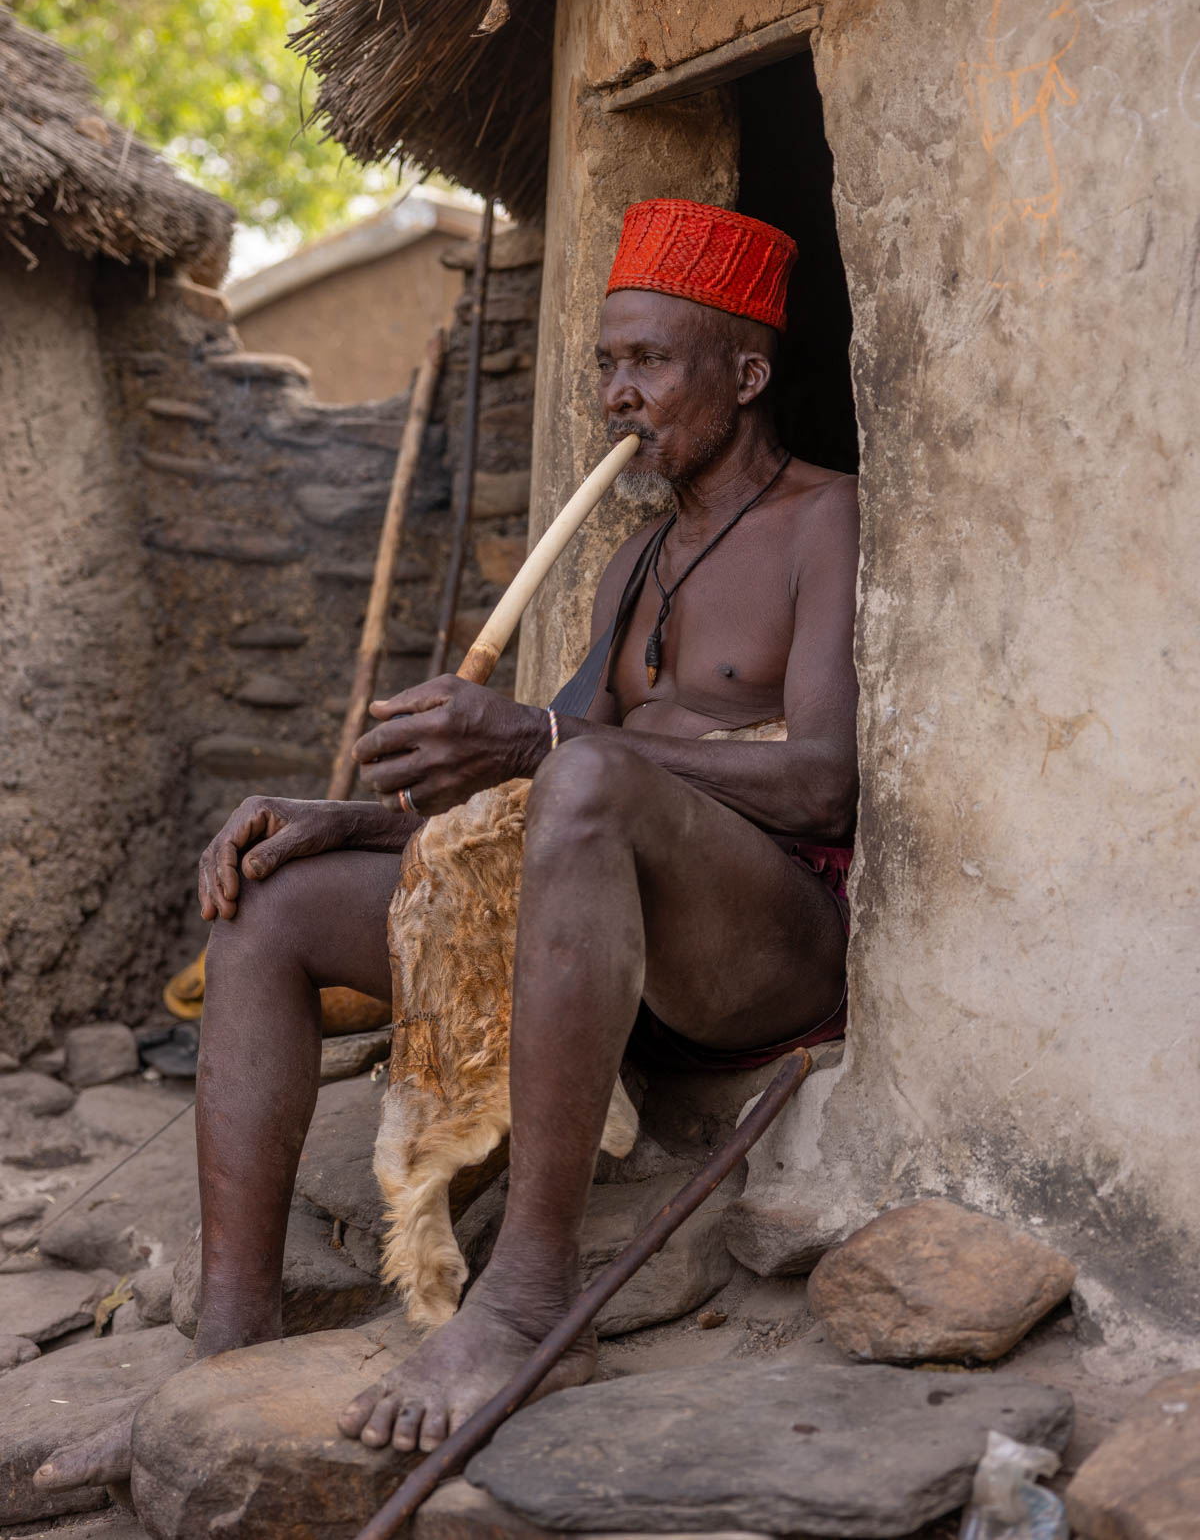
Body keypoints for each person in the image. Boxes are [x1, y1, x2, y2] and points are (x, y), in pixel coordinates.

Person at [35, 196, 858, 1488]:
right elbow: (533, 776)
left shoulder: (826, 521)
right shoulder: (637, 562)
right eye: (606, 364)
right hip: (608, 940)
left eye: (649, 362)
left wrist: (540, 740)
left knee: (585, 777)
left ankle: (527, 1300)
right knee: (272, 901)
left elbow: (819, 784)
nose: (617, 395)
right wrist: (345, 821)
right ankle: (224, 1348)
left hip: (766, 948)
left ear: (745, 377)